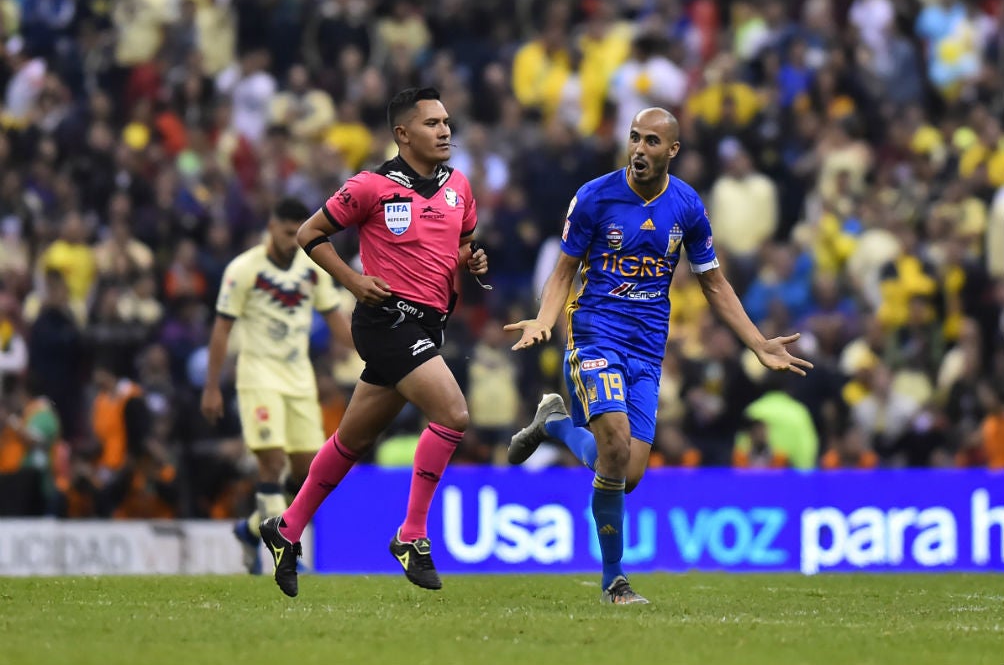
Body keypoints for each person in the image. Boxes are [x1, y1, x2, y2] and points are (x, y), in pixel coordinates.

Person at [504, 108, 812, 604]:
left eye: (652, 141)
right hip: (594, 334)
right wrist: (544, 318)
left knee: (625, 474)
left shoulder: (687, 205)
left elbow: (713, 282)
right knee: (616, 446)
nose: (640, 149)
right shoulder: (594, 196)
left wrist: (757, 341)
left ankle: (555, 423)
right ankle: (614, 580)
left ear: (672, 151)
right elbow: (563, 270)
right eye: (634, 139)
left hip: (647, 346)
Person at [258, 86, 487, 597]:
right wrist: (354, 282)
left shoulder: (459, 187)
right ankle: (412, 535)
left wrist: (471, 260)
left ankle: (286, 529)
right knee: (453, 414)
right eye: (432, 123)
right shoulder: (370, 186)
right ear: (402, 134)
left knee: (352, 441)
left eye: (447, 121)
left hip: (428, 325)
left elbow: (463, 242)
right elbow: (310, 234)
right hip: (385, 319)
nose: (445, 130)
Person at [201, 197, 353, 575]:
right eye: (288, 233)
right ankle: (285, 553)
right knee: (270, 463)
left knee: (306, 474)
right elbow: (221, 328)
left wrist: (372, 350)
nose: (293, 241)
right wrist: (212, 386)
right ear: (272, 227)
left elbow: (336, 319)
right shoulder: (244, 269)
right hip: (257, 377)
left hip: (299, 379)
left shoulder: (312, 269)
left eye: (299, 234)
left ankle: (252, 530)